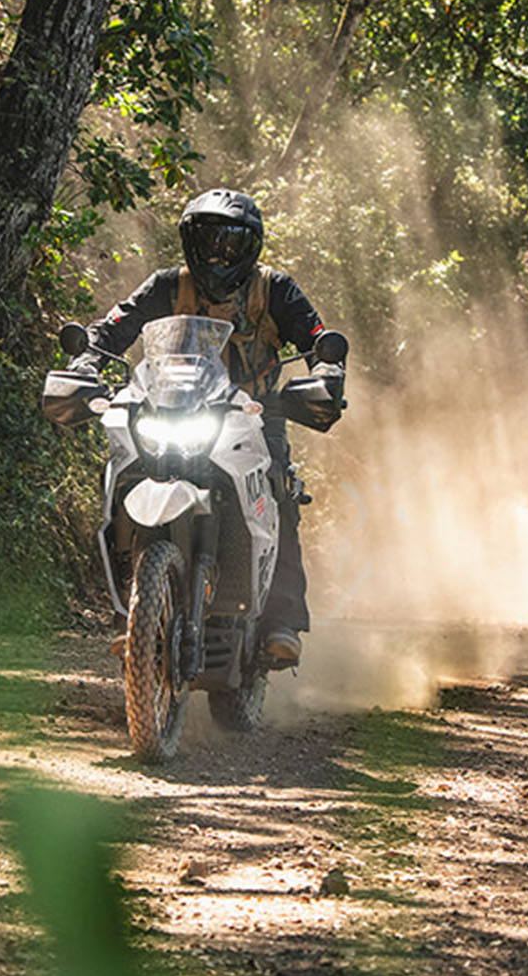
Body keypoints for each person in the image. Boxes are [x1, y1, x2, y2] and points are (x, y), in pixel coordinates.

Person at [71, 187, 338, 664]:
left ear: (250, 246)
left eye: (230, 244)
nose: (218, 254)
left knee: (279, 493)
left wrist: (326, 373)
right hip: (173, 412)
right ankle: (131, 609)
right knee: (122, 474)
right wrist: (88, 360)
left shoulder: (275, 289)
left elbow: (318, 340)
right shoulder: (166, 286)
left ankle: (281, 619)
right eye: (207, 241)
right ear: (189, 242)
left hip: (252, 418)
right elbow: (111, 329)